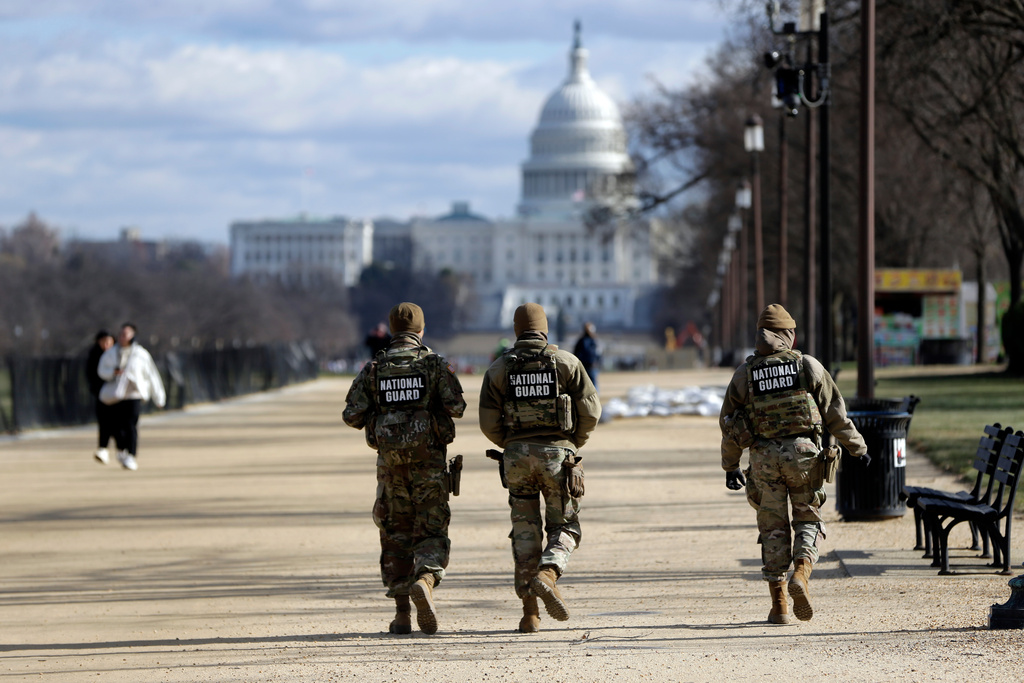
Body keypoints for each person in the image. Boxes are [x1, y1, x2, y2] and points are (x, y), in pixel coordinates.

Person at [719, 304, 870, 625]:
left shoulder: (745, 374)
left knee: (772, 528)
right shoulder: (807, 366)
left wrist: (730, 466)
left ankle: (779, 607)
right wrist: (857, 448)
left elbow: (730, 425)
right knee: (807, 518)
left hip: (763, 461)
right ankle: (801, 573)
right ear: (789, 335)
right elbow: (835, 413)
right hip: (803, 456)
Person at [343, 303, 466, 635]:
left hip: (390, 468)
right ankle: (425, 579)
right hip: (429, 465)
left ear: (392, 329)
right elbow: (457, 406)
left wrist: (382, 418)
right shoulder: (435, 365)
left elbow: (351, 415)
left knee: (395, 535)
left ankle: (401, 616)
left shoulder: (374, 369)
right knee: (431, 530)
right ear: (421, 330)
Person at [479, 302, 601, 633]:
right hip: (557, 457)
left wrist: (511, 444)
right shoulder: (566, 362)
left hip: (516, 459)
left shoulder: (499, 369)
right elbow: (591, 410)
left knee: (525, 532)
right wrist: (572, 443)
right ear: (544, 329)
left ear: (517, 330)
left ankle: (529, 614)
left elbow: (488, 422)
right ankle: (549, 573)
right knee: (566, 527)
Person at [97, 323, 166, 471]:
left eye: (126, 334)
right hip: (117, 394)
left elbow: (151, 375)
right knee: (117, 426)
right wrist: (113, 372)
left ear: (133, 335)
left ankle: (131, 456)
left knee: (131, 425)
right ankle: (122, 449)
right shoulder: (110, 353)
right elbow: (101, 370)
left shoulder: (141, 354)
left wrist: (158, 396)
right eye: (121, 334)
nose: (122, 337)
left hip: (134, 394)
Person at [86, 330, 116, 464]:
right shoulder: (93, 356)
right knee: (104, 422)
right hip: (102, 395)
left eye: (109, 341)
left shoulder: (118, 354)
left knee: (119, 423)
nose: (106, 344)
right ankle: (103, 448)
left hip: (118, 395)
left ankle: (123, 450)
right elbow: (90, 375)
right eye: (103, 341)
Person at [572, 322, 601, 390]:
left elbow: (598, 353)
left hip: (592, 366)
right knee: (584, 385)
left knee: (593, 384)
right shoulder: (582, 341)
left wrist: (597, 362)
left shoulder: (594, 341)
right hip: (584, 366)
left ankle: (595, 398)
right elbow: (576, 353)